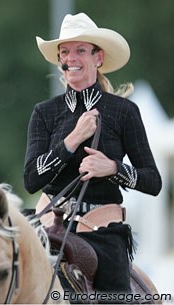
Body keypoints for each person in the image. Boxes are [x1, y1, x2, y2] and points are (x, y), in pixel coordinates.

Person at [23, 12, 162, 295]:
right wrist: (72, 140)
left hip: (103, 233)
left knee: (115, 298)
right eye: (65, 52)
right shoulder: (44, 112)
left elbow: (153, 181)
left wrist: (112, 168)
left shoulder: (124, 112)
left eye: (80, 51)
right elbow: (30, 179)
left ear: (98, 58)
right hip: (48, 226)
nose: (71, 58)